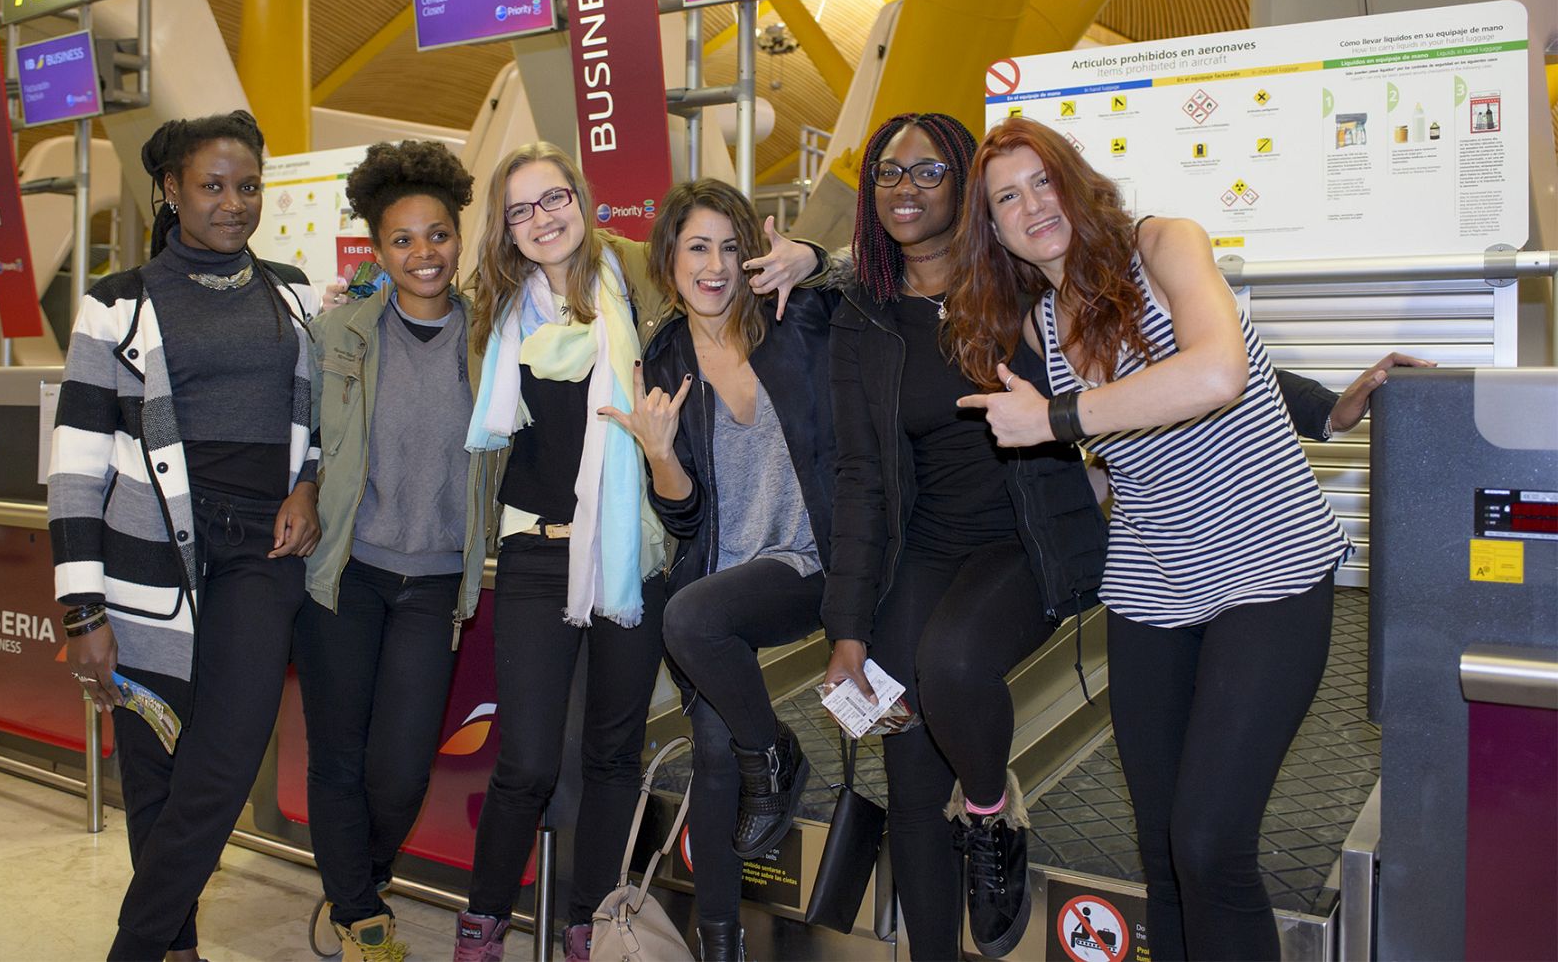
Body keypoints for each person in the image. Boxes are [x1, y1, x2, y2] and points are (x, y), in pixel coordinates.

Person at [948, 116, 1353, 961]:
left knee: (1210, 843)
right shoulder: (1042, 325)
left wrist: (1057, 417)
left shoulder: (1164, 243)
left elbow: (1218, 370)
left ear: (1076, 179)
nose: (1033, 205)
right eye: (1007, 198)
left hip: (1267, 564)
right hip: (1151, 581)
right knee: (1165, 853)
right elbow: (1115, 461)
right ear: (995, 229)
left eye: (1043, 181)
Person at [451, 144, 824, 962]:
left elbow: (721, 268)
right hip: (535, 556)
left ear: (581, 202)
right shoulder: (495, 313)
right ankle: (480, 928)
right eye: (522, 209)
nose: (543, 218)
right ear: (506, 231)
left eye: (555, 198)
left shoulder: (636, 287)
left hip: (635, 557)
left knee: (614, 753)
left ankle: (590, 925)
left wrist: (806, 251)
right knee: (528, 763)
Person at [819, 112, 1107, 961]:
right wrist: (847, 630)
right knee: (907, 780)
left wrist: (1326, 403)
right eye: (887, 173)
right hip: (928, 549)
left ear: (967, 186)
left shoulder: (1024, 288)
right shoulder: (863, 319)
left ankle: (990, 816)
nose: (903, 189)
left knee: (950, 664)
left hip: (1029, 538)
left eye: (928, 172)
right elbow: (860, 481)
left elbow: (1157, 357)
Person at [50, 110, 321, 961]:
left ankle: (131, 946)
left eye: (248, 186)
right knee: (156, 765)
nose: (234, 204)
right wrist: (81, 609)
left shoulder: (292, 289)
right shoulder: (115, 303)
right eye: (212, 185)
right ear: (170, 190)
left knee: (226, 757)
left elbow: (316, 419)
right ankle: (176, 945)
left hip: (262, 550)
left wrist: (308, 480)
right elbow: (76, 464)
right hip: (148, 553)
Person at [600, 179, 837, 961]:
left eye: (731, 246)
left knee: (690, 617)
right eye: (698, 247)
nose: (717, 265)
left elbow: (891, 276)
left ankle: (773, 752)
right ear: (669, 259)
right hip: (720, 571)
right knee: (711, 751)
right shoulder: (664, 355)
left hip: (809, 562)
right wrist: (661, 454)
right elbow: (686, 518)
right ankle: (722, 943)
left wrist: (815, 256)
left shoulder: (796, 314)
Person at [297, 140, 485, 960]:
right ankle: (357, 907)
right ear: (377, 249)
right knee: (337, 749)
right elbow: (298, 434)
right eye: (403, 239)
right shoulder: (339, 329)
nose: (423, 254)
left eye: (437, 234)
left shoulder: (492, 338)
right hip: (347, 570)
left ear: (460, 236)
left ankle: (353, 884)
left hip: (437, 579)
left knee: (402, 765)